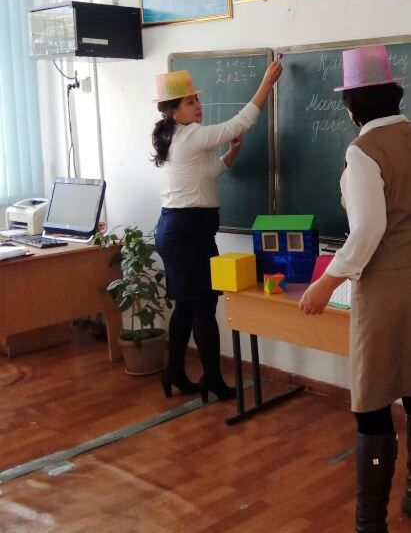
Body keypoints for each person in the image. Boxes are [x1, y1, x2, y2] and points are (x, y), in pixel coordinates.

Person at [299, 44, 411, 533]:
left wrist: (327, 281)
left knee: (372, 403)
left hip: (385, 292)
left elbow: (367, 229)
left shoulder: (363, 151)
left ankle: (370, 523)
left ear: (352, 107)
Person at [152, 62, 282, 402]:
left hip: (179, 231)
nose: (198, 105)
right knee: (204, 305)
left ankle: (173, 372)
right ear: (174, 110)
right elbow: (241, 122)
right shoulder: (192, 135)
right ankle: (212, 379)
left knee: (186, 305)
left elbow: (210, 173)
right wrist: (266, 84)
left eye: (197, 99)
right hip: (187, 233)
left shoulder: (180, 136)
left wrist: (233, 153)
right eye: (190, 101)